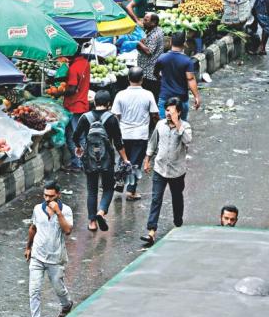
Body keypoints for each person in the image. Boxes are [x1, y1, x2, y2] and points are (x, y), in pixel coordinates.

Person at [72, 91, 130, 232]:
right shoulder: (112, 119)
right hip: (107, 160)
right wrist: (125, 159)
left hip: (90, 159)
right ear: (109, 104)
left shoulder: (85, 117)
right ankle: (101, 211)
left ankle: (92, 222)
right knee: (108, 188)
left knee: (92, 190)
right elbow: (118, 143)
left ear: (94, 102)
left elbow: (75, 136)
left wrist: (79, 147)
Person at [23, 182, 73, 317]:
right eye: (45, 195)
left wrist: (58, 213)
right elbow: (33, 228)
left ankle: (66, 304)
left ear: (58, 195)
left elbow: (67, 230)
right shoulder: (38, 209)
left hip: (55, 257)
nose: (47, 199)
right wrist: (28, 247)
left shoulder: (66, 210)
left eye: (51, 196)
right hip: (37, 255)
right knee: (34, 290)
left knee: (58, 287)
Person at [141, 98, 193, 246]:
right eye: (167, 110)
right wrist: (147, 159)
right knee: (156, 199)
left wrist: (178, 125)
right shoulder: (160, 125)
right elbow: (153, 143)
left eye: (172, 111)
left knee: (177, 198)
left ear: (179, 112)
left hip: (177, 171)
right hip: (160, 169)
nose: (168, 113)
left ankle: (178, 223)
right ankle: (151, 231)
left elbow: (188, 140)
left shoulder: (185, 126)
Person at [112, 67, 159, 200]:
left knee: (123, 159)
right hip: (140, 134)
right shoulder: (148, 94)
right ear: (142, 79)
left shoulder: (120, 95)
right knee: (135, 162)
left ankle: (120, 182)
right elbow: (154, 114)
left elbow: (115, 116)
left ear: (128, 79)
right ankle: (131, 192)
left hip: (124, 133)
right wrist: (159, 126)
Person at [154, 31, 200, 119]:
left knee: (163, 124)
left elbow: (155, 73)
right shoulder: (187, 61)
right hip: (182, 99)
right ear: (184, 44)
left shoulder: (162, 58)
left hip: (165, 97)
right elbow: (190, 79)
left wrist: (161, 78)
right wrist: (196, 97)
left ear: (171, 42)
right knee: (181, 124)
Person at [63, 53, 91, 171]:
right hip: (82, 104)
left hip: (74, 106)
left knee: (76, 136)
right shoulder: (85, 63)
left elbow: (72, 89)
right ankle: (77, 162)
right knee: (73, 135)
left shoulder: (73, 68)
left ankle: (80, 163)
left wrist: (59, 93)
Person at [136, 12, 165, 101]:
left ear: (153, 22)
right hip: (149, 71)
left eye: (146, 20)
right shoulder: (154, 30)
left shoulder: (154, 35)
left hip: (149, 73)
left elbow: (149, 51)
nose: (143, 22)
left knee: (150, 98)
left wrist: (138, 43)